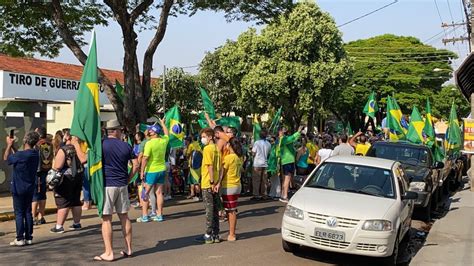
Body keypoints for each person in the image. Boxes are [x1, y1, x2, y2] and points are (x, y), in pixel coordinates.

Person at [94, 120, 138, 262]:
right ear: (117, 131)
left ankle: (109, 252)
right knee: (124, 216)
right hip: (122, 184)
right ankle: (129, 248)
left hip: (107, 184)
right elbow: (136, 165)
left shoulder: (101, 145)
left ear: (108, 131)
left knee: (106, 218)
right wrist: (128, 179)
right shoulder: (126, 145)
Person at [4, 131, 40, 246]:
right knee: (27, 212)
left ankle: (20, 238)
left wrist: (9, 145)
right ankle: (29, 237)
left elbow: (7, 158)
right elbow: (19, 155)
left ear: (25, 141)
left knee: (19, 213)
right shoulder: (35, 154)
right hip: (29, 187)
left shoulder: (21, 156)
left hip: (18, 187)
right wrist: (13, 146)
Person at [50, 134, 86, 233]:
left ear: (67, 137)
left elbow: (58, 166)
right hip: (78, 176)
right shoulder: (80, 149)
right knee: (76, 200)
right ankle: (77, 223)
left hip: (65, 179)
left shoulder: (64, 149)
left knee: (63, 202)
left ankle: (59, 226)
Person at [137, 119, 169, 223]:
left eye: (150, 131)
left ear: (153, 132)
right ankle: (159, 215)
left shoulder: (149, 143)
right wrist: (163, 123)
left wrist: (142, 172)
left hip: (151, 170)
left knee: (144, 193)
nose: (148, 132)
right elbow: (167, 133)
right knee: (159, 193)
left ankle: (145, 216)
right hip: (161, 169)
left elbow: (145, 158)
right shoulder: (163, 140)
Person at [195, 128, 220, 244]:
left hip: (208, 183)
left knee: (209, 209)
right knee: (215, 209)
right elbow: (218, 168)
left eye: (204, 136)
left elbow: (209, 166)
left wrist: (211, 182)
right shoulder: (217, 149)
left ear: (210, 137)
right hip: (215, 182)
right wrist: (216, 182)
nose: (202, 138)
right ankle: (216, 233)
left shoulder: (207, 149)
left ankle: (208, 234)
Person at [216, 137, 243, 241]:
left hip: (229, 186)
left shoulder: (229, 158)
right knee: (230, 210)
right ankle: (231, 232)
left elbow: (223, 172)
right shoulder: (238, 157)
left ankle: (232, 234)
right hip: (236, 185)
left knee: (231, 211)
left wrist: (218, 183)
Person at [32, 127, 53, 226]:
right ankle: (41, 216)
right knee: (43, 194)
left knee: (35, 195)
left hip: (37, 171)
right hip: (46, 169)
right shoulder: (49, 143)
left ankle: (33, 216)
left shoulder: (37, 145)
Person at [277, 126, 303, 203]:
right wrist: (298, 132)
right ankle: (284, 196)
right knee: (287, 178)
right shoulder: (284, 139)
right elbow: (292, 138)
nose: (284, 131)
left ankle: (283, 194)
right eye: (282, 130)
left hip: (287, 160)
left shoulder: (283, 139)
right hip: (287, 160)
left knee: (286, 178)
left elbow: (293, 140)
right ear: (280, 132)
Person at [251, 129, 271, 200]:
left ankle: (256, 194)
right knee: (264, 180)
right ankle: (264, 194)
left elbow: (253, 152)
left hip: (257, 163)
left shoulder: (257, 142)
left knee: (256, 180)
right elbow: (268, 153)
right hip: (265, 163)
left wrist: (252, 156)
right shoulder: (268, 143)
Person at [186, 135, 202, 201]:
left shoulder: (191, 145)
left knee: (193, 181)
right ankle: (197, 194)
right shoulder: (200, 144)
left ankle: (196, 195)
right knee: (198, 180)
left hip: (193, 166)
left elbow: (187, 154)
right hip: (200, 165)